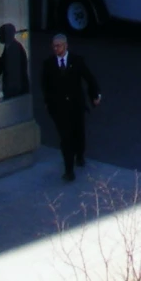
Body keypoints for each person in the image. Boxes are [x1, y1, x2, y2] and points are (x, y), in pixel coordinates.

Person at [41, 31, 102, 179]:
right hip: (59, 109)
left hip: (76, 106)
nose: (56, 49)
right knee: (65, 138)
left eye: (59, 46)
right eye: (54, 46)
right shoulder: (49, 64)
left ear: (66, 46)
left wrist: (95, 95)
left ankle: (79, 155)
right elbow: (45, 86)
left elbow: (89, 79)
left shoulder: (77, 61)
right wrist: (49, 104)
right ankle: (69, 170)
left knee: (78, 134)